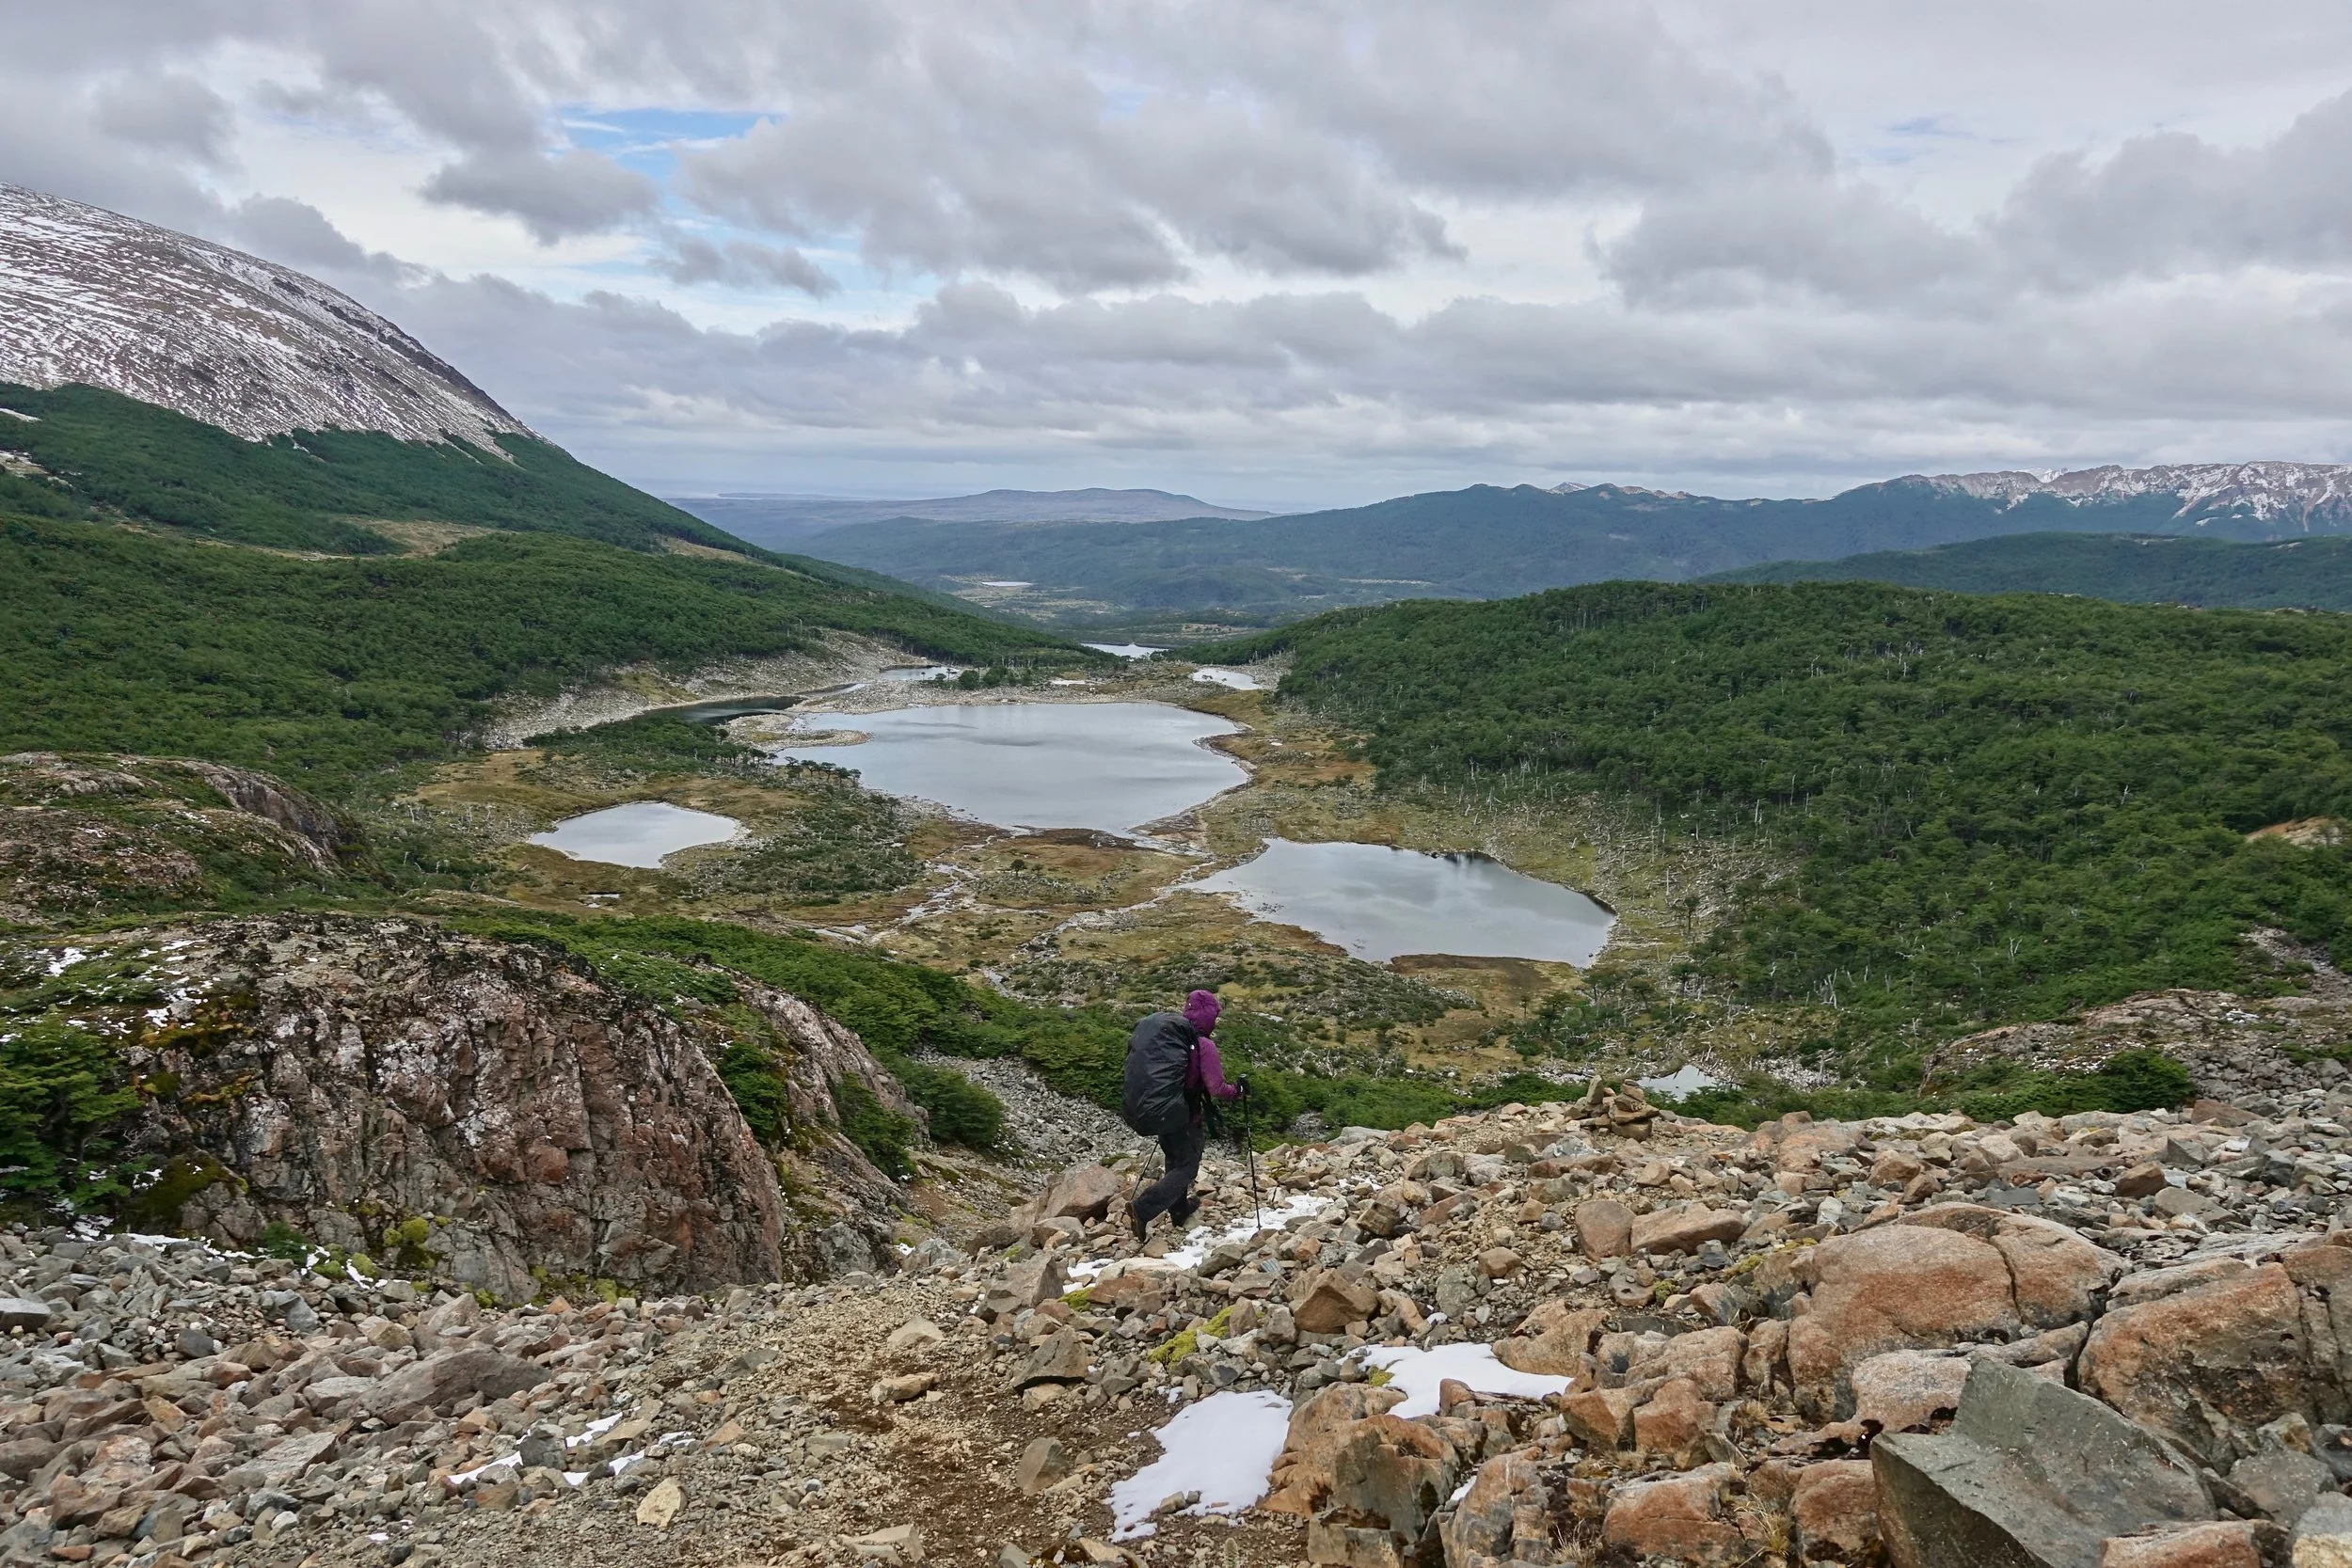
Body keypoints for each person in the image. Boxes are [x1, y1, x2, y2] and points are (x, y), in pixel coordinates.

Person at [1120, 989, 1244, 1238]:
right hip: (1186, 1115)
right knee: (1187, 1167)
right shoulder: (1204, 1045)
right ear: (1209, 1016)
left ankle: (1179, 1210)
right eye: (1215, 1016)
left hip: (1165, 1110)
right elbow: (1216, 1087)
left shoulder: (1174, 1040)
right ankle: (1143, 1208)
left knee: (1174, 1160)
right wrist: (1237, 1091)